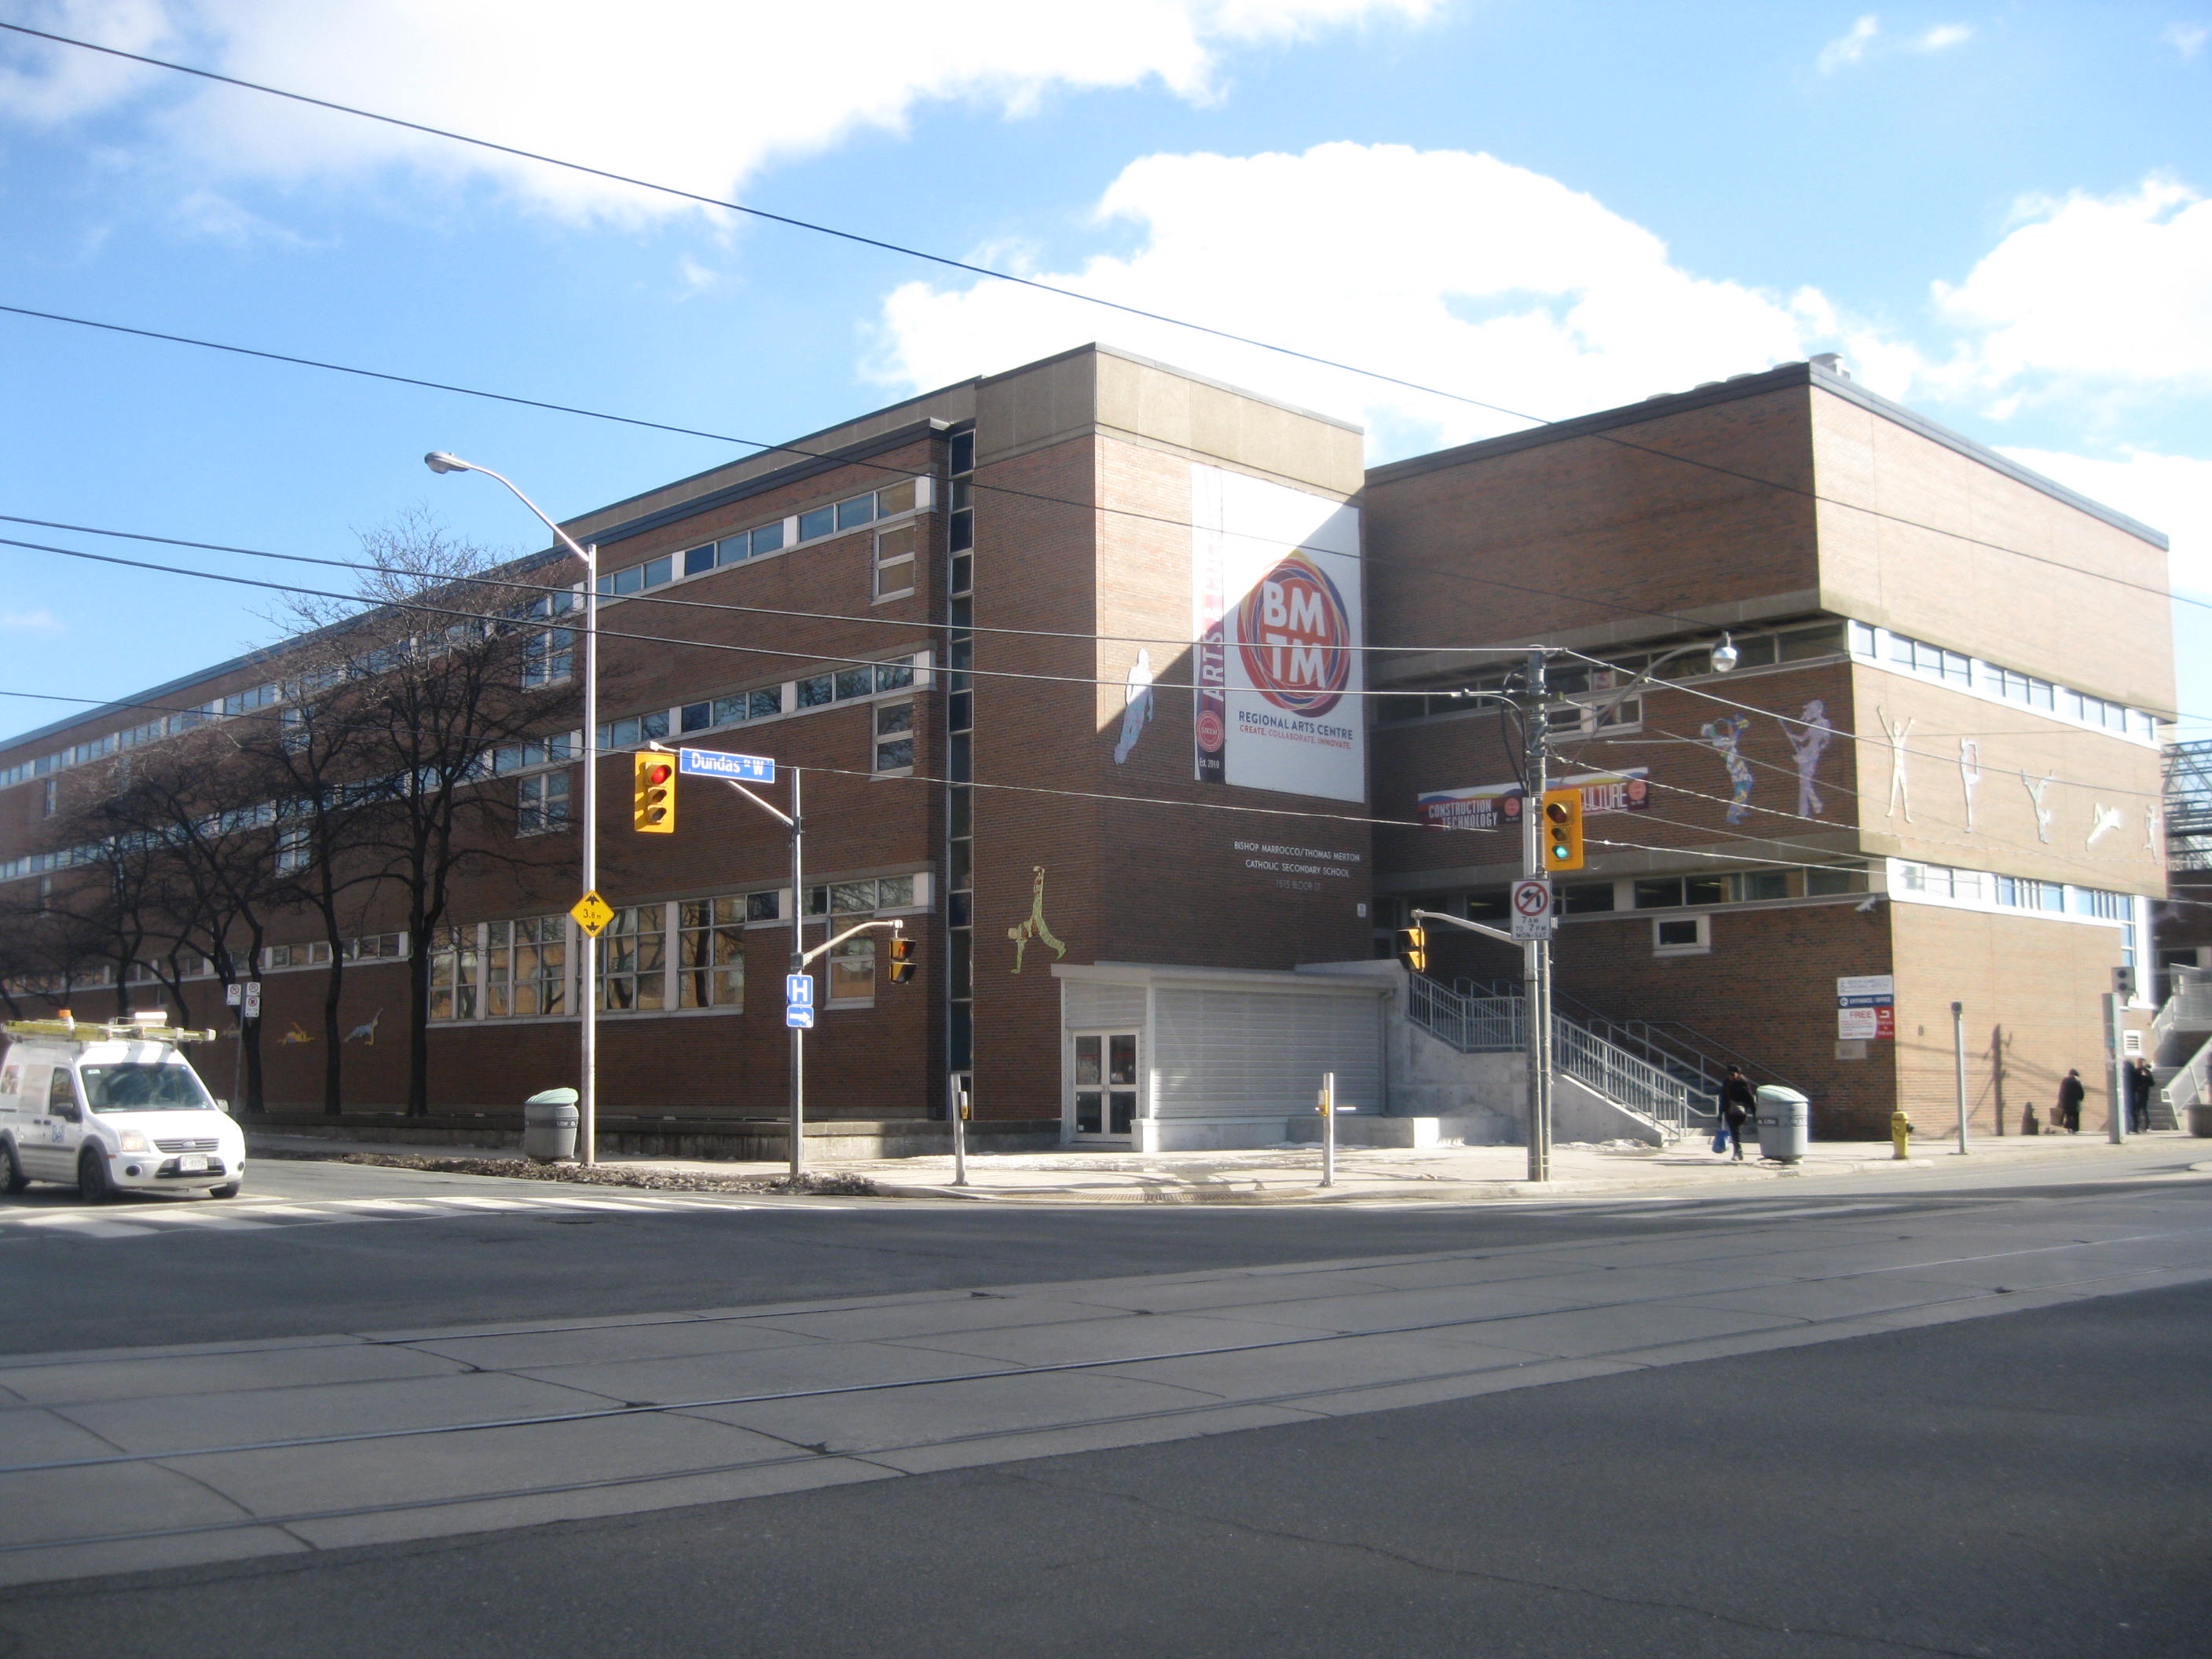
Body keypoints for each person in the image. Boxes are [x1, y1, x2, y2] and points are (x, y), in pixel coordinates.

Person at [1719, 1064, 1756, 1162]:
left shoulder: (1742, 1083)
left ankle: (1738, 1151)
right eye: (1729, 1074)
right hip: (1729, 1110)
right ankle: (1738, 1151)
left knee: (1735, 1130)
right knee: (1734, 1130)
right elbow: (1723, 1098)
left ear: (1738, 1074)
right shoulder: (1726, 1082)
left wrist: (1754, 1112)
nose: (1731, 1076)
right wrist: (1720, 1112)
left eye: (1733, 1074)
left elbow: (1750, 1098)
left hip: (1740, 1110)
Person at [2128, 1057, 2156, 1133]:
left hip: (2144, 1094)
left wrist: (2146, 1077)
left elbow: (2152, 1083)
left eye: (2141, 1063)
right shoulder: (2136, 1071)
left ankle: (2147, 1125)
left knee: (2144, 1109)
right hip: (2137, 1093)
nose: (2140, 1064)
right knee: (2137, 1110)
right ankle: (2137, 1126)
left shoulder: (2147, 1072)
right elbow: (2133, 1081)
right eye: (2139, 1063)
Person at [2056, 1068, 2086, 1135]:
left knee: (2068, 1115)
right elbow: (2081, 1092)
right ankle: (2074, 1129)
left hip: (2066, 1102)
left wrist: (2060, 1101)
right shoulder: (2077, 1081)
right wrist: (2080, 1099)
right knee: (2075, 1116)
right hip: (2075, 1103)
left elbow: (2061, 1092)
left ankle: (2069, 1129)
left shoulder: (2065, 1081)